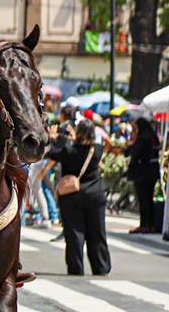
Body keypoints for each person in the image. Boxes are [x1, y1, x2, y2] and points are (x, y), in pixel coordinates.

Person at [48, 119, 111, 276]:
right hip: (95, 195)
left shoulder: (68, 150)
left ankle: (76, 267)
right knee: (97, 233)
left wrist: (54, 137)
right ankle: (101, 267)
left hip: (72, 196)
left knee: (74, 233)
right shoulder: (97, 149)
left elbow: (51, 152)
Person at [120, 116, 160, 234]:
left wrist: (132, 140)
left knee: (143, 199)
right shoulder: (153, 137)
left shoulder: (142, 138)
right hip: (152, 172)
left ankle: (144, 224)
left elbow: (133, 153)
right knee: (149, 199)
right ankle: (151, 224)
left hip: (142, 172)